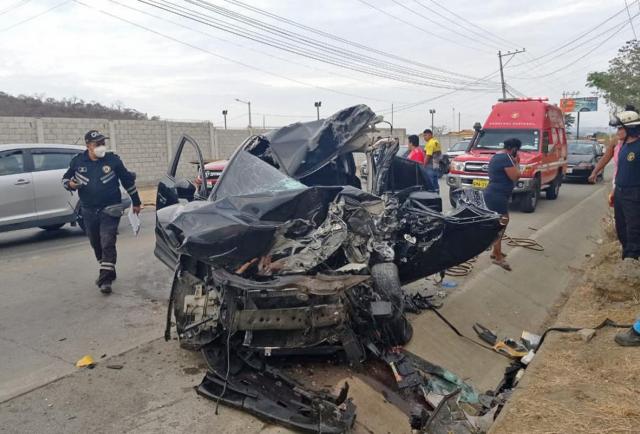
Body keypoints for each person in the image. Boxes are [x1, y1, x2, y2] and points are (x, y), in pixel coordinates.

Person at [62, 130, 142, 294]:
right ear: (88, 146)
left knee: (107, 241)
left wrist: (136, 201)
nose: (101, 147)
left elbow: (127, 180)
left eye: (102, 143)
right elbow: (65, 179)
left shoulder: (113, 160)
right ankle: (109, 269)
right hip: (88, 210)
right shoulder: (77, 161)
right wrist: (70, 184)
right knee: (96, 243)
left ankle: (105, 280)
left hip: (110, 208)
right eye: (97, 144)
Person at [601, 109, 640, 346]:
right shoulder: (624, 146)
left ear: (631, 129)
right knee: (623, 231)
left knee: (635, 231)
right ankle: (628, 258)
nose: (617, 132)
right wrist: (616, 191)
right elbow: (619, 172)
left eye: (620, 128)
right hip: (623, 193)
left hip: (636, 195)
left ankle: (632, 266)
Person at [483, 138, 522, 271]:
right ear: (514, 149)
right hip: (497, 195)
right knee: (501, 223)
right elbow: (515, 176)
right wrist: (517, 163)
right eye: (518, 150)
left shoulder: (498, 156)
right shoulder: (506, 158)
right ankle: (498, 256)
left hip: (496, 194)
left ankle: (496, 251)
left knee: (501, 222)